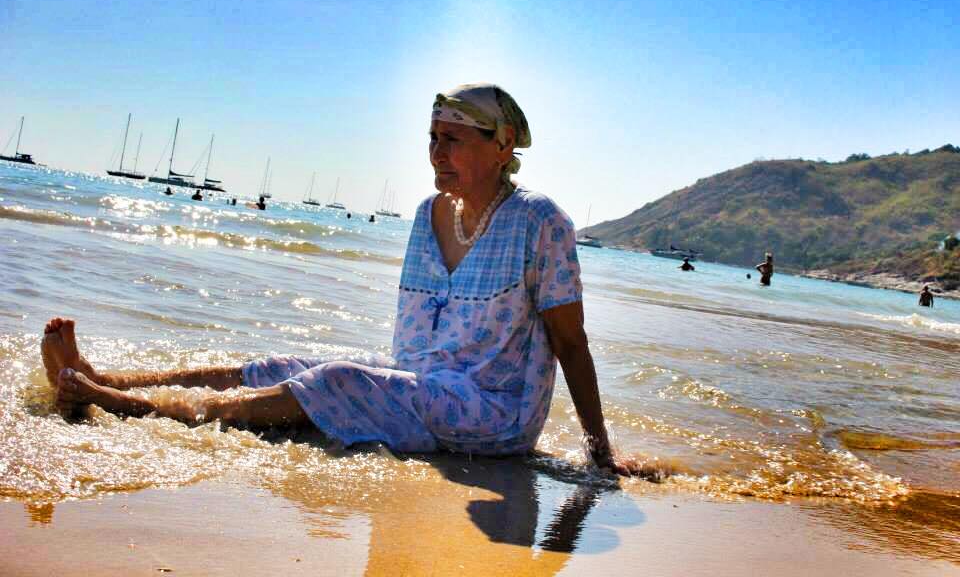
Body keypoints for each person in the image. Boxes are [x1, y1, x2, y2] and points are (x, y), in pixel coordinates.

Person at [41, 83, 660, 478]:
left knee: (337, 380)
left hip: (493, 415)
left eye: (453, 139)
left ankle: (135, 408)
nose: (436, 152)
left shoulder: (539, 221)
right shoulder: (429, 214)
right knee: (285, 364)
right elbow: (416, 346)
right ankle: (110, 379)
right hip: (425, 384)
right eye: (432, 138)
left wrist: (599, 454)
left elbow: (570, 342)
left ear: (501, 147)